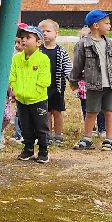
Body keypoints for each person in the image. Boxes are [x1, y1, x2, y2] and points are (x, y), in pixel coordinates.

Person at [69, 8, 112, 151]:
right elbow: (77, 65)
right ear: (96, 25)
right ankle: (87, 138)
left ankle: (109, 140)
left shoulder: (111, 44)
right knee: (91, 112)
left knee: (110, 111)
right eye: (107, 23)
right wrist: (73, 81)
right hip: (94, 85)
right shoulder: (83, 45)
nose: (110, 26)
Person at [10, 24, 52, 163]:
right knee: (25, 126)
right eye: (22, 37)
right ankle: (28, 149)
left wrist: (35, 92)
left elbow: (45, 80)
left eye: (28, 37)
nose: (23, 40)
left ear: (38, 42)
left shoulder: (43, 59)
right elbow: (12, 76)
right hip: (21, 100)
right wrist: (16, 90)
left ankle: (43, 150)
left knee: (41, 127)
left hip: (38, 100)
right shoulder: (16, 58)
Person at [38, 18, 72, 146]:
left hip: (57, 87)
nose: (45, 33)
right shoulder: (38, 51)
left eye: (48, 31)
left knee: (57, 111)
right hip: (42, 87)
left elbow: (68, 67)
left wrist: (72, 80)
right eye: (42, 31)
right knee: (46, 112)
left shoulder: (61, 51)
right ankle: (47, 134)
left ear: (56, 33)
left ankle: (58, 135)